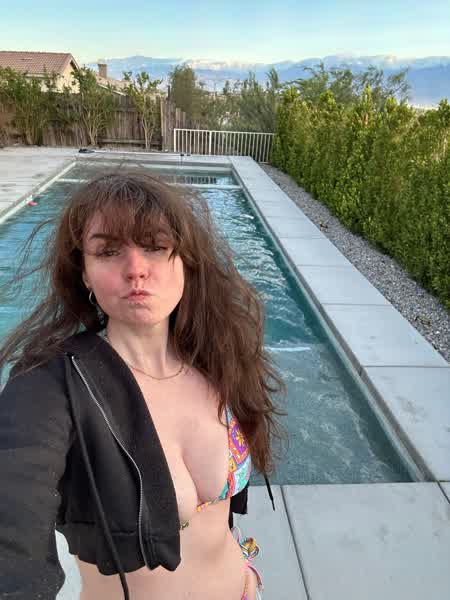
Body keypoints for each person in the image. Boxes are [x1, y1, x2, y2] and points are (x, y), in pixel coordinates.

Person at [0, 169, 286, 600]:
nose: (136, 269)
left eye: (154, 246)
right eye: (108, 251)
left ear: (185, 260)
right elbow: (12, 507)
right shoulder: (52, 385)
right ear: (84, 273)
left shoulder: (215, 357)